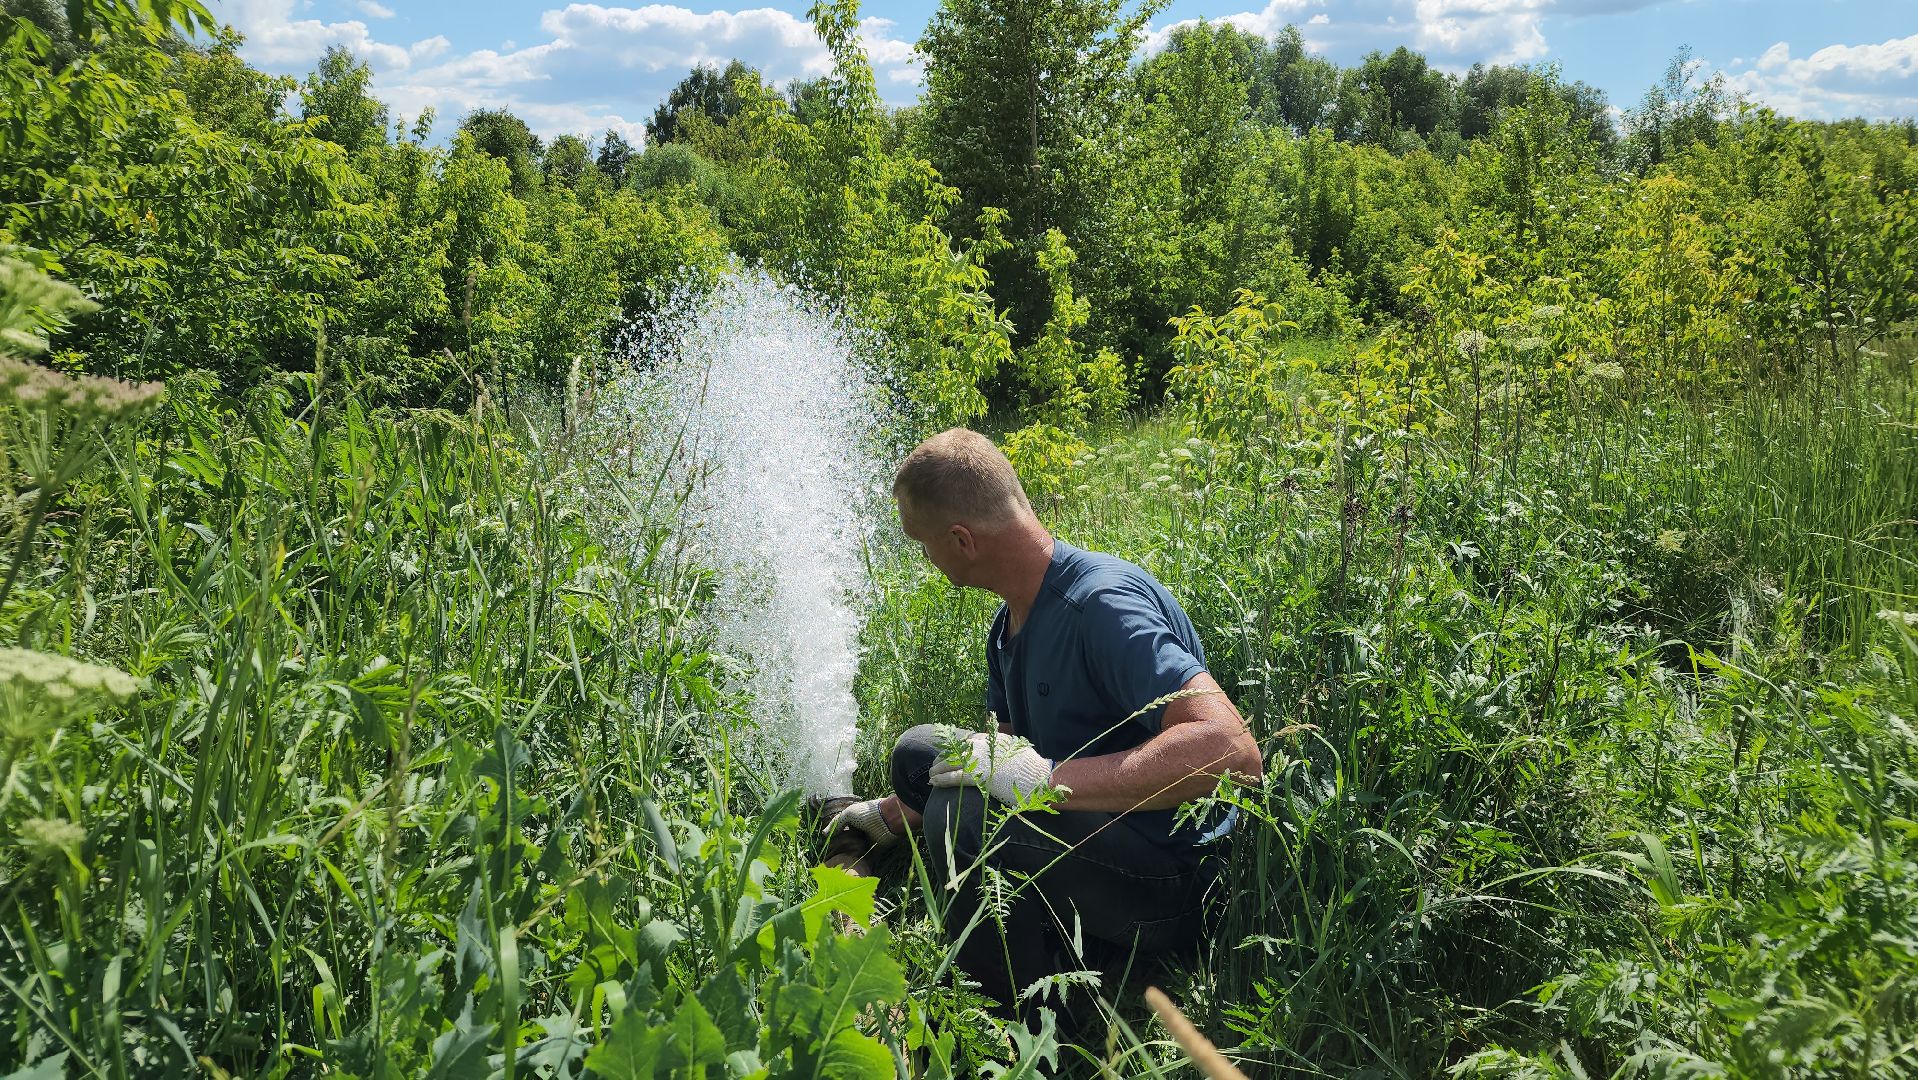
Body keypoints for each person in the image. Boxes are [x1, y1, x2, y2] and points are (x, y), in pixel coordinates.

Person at [826, 428, 1263, 1023]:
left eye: (924, 545)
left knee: (962, 815)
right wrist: (885, 814)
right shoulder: (1009, 625)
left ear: (961, 539)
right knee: (919, 753)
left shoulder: (1102, 607)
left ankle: (1014, 1021)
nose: (927, 560)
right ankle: (1028, 933)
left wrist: (1043, 779)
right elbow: (1000, 757)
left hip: (1171, 884)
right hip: (1097, 836)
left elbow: (1233, 752)